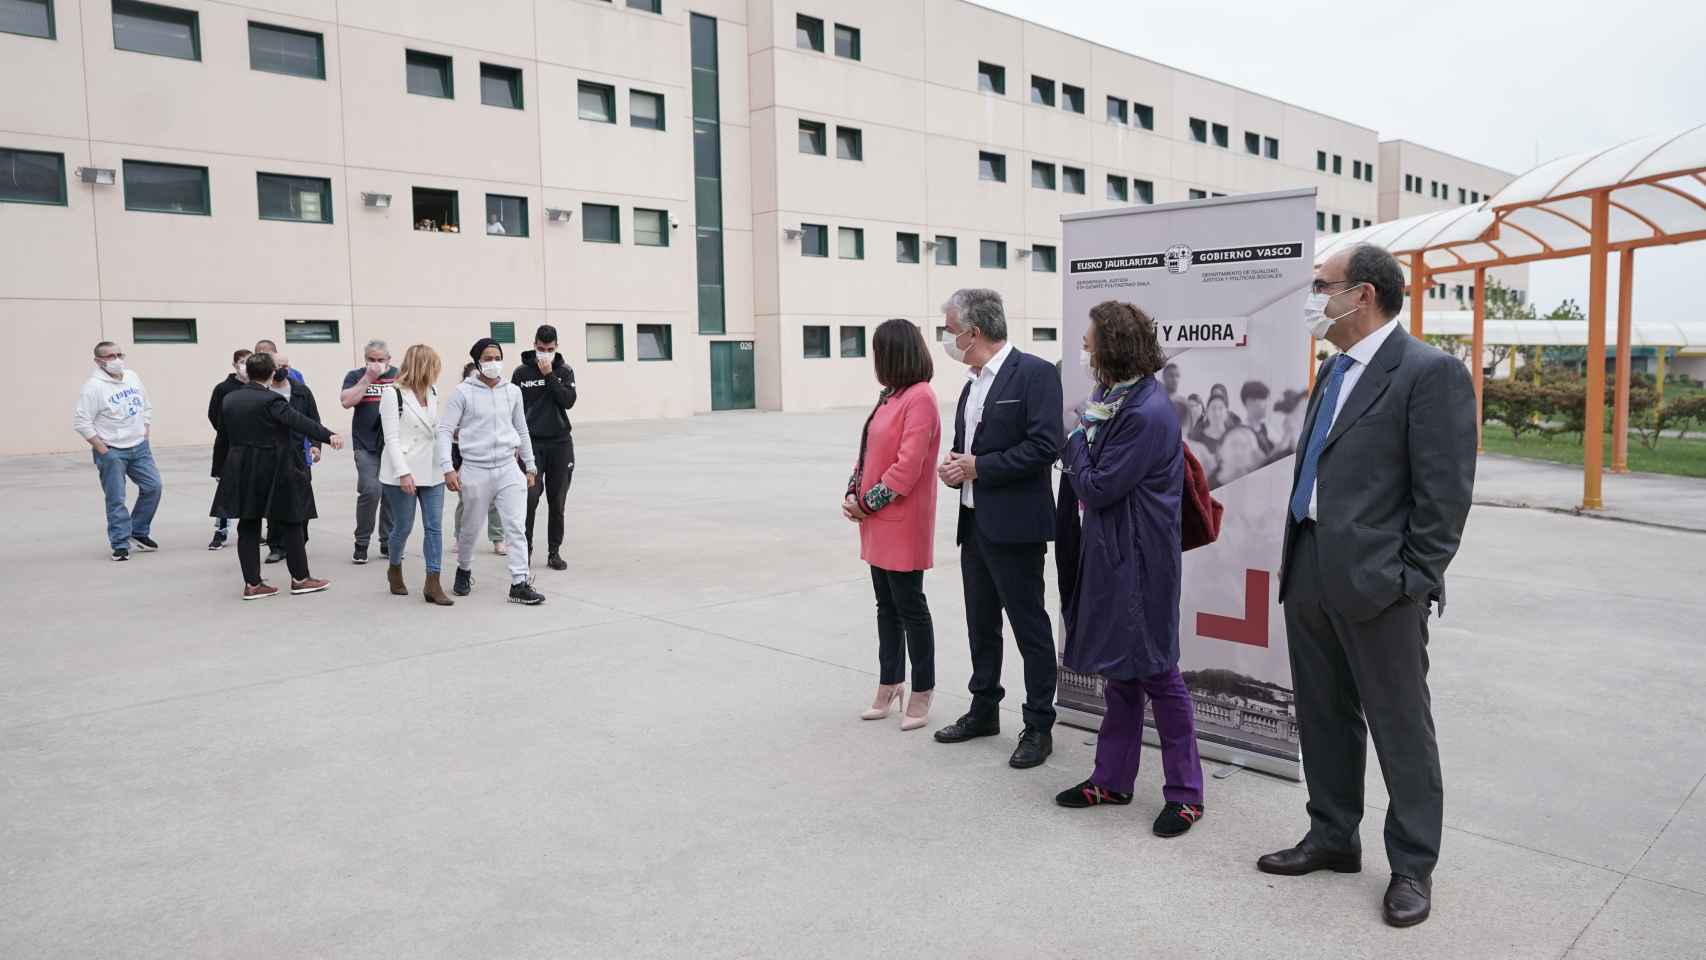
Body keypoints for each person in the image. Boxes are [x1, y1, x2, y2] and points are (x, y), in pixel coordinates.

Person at [1258, 243, 1477, 929]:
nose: (1313, 298)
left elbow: (1444, 496)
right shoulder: (1333, 370)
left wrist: (1413, 578)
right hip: (1313, 564)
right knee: (1323, 712)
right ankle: (1332, 835)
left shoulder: (1429, 373)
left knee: (1400, 727)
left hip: (1383, 583)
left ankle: (1412, 864)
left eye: (1321, 286)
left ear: (1365, 294)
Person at [1053, 301, 1204, 836]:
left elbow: (1097, 487)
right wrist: (1083, 442)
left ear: (1112, 345)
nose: (1085, 347)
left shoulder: (1143, 412)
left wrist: (1072, 444)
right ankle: (1112, 780)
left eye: (1091, 339)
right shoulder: (1111, 399)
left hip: (1140, 562)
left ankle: (1186, 795)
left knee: (1159, 674)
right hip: (1114, 555)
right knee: (1121, 673)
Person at [932, 288, 1064, 769]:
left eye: (950, 330)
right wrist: (955, 468)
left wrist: (978, 468)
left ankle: (1038, 724)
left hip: (1016, 526)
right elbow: (966, 447)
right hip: (974, 522)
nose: (947, 339)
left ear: (975, 331)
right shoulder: (971, 384)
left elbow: (1045, 446)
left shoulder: (1034, 374)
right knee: (980, 623)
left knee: (1029, 627)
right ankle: (983, 708)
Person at [842, 319, 941, 732]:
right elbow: (867, 454)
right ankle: (890, 682)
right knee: (886, 606)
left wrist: (868, 502)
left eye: (878, 351)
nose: (874, 360)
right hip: (877, 521)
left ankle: (922, 689)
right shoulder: (890, 396)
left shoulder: (920, 399)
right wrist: (852, 491)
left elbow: (908, 466)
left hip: (901, 520)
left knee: (910, 607)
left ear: (894, 354)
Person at [213, 352, 345, 599]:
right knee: (292, 520)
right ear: (272, 373)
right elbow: (300, 421)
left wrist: (220, 470)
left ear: (248, 372)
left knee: (248, 523)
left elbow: (222, 437)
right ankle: (301, 578)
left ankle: (252, 584)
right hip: (273, 466)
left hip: (240, 467)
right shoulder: (272, 400)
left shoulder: (230, 399)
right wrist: (329, 436)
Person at [438, 338, 545, 605]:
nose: (493, 362)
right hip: (475, 469)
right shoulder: (463, 392)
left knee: (516, 528)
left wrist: (529, 465)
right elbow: (444, 431)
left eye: (497, 356)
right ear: (477, 362)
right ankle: (463, 570)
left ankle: (519, 583)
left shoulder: (512, 392)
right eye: (487, 358)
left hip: (508, 468)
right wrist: (448, 468)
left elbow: (522, 429)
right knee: (470, 529)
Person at [73, 341, 162, 561]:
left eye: (119, 354)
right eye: (110, 356)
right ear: (98, 361)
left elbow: (145, 406)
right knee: (116, 498)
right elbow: (81, 421)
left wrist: (145, 432)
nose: (116, 359)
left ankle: (139, 532)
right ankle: (120, 543)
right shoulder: (93, 387)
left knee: (153, 487)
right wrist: (104, 450)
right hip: (113, 451)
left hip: (139, 447)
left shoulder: (132, 376)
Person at [379, 344, 453, 606]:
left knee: (434, 527)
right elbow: (391, 438)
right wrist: (403, 473)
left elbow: (435, 429)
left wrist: (448, 465)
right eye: (434, 366)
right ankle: (395, 566)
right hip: (403, 470)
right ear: (423, 366)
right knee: (404, 526)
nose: (437, 372)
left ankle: (433, 583)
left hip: (432, 469)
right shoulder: (392, 394)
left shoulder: (433, 391)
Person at [512, 324, 577, 571]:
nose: (544, 353)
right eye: (540, 349)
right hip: (531, 444)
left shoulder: (565, 371)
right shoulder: (521, 373)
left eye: (549, 349)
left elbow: (568, 401)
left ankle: (554, 552)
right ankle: (524, 550)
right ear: (534, 344)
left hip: (560, 443)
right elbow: (513, 410)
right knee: (529, 499)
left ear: (556, 347)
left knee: (557, 500)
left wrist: (550, 375)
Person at [340, 340, 398, 564]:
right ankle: (361, 542)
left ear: (388, 360)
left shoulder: (398, 375)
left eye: (380, 360)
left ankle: (387, 541)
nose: (376, 364)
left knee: (392, 493)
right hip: (365, 444)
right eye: (371, 360)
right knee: (371, 490)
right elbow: (346, 401)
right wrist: (368, 378)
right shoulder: (355, 375)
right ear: (365, 359)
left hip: (393, 445)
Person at [451, 361, 506, 556]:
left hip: (493, 461)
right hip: (467, 464)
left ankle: (498, 538)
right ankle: (460, 537)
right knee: (466, 502)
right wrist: (455, 468)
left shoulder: (496, 401)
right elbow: (452, 441)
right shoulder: (460, 401)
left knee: (494, 503)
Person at [207, 348, 251, 550]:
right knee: (226, 490)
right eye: (241, 362)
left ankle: (253, 530)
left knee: (252, 489)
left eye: (249, 361)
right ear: (234, 365)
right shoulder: (223, 388)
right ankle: (221, 530)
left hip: (254, 448)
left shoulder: (258, 387)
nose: (245, 366)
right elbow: (215, 416)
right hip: (229, 448)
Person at [1241, 380, 1274, 456]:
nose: (1267, 404)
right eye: (1263, 399)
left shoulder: (1267, 427)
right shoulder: (1241, 433)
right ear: (1249, 402)